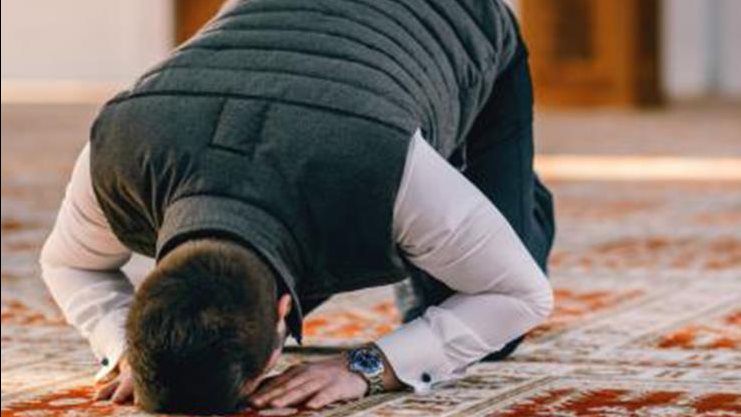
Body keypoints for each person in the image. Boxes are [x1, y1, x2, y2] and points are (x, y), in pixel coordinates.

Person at [39, 0, 555, 413]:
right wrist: (126, 348)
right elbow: (67, 262)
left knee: (479, 323)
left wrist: (365, 368)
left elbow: (521, 295)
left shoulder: (380, 170)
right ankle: (457, 211)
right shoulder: (119, 148)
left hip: (459, 21)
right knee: (432, 293)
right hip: (317, 89)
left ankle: (489, 188)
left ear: (284, 311)